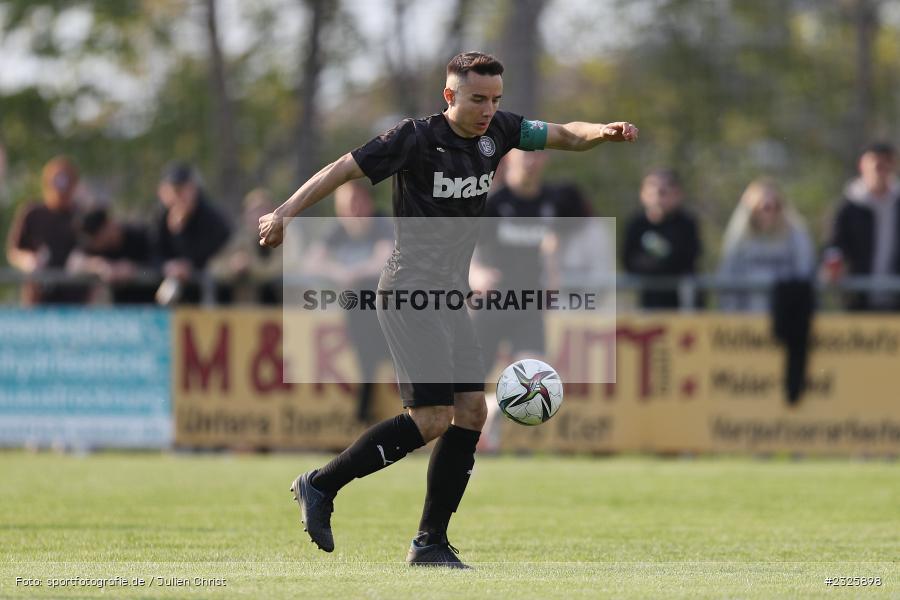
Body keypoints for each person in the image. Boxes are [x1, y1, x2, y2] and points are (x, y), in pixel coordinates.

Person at [258, 51, 638, 568]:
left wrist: (603, 131)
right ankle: (321, 484)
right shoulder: (412, 138)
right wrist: (284, 213)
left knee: (472, 411)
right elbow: (340, 170)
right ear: (449, 95)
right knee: (433, 417)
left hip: (450, 297)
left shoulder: (499, 132)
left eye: (495, 99)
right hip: (409, 292)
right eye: (478, 98)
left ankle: (430, 542)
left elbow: (565, 134)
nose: (488, 109)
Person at [469, 149, 587, 452]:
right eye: (525, 156)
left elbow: (556, 240)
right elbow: (462, 247)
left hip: (529, 304)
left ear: (545, 161)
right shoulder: (493, 202)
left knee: (536, 380)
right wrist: (474, 273)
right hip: (491, 302)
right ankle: (472, 434)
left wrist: (553, 269)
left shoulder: (552, 202)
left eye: (537, 156)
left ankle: (494, 411)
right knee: (465, 391)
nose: (531, 162)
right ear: (510, 160)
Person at [300, 181, 394, 422]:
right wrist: (338, 272)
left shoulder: (382, 224)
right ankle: (364, 416)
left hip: (389, 310)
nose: (352, 211)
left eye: (356, 202)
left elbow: (383, 260)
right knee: (366, 364)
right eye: (345, 205)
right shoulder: (336, 231)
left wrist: (353, 273)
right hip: (357, 313)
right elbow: (312, 261)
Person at [717, 177, 815, 312]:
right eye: (763, 207)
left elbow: (804, 272)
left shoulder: (795, 236)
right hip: (747, 318)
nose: (768, 214)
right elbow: (728, 278)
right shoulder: (739, 240)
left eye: (775, 207)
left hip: (785, 317)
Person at [823, 142, 900, 311]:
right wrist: (833, 264)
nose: (880, 170)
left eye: (886, 163)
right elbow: (834, 246)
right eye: (875, 163)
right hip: (857, 301)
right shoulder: (847, 207)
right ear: (862, 165)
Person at [5, 156, 89, 304]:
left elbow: (97, 253)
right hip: (39, 300)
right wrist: (29, 261)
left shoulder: (82, 216)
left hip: (76, 302)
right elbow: (14, 251)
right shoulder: (32, 213)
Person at [622, 168, 702, 309]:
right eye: (652, 190)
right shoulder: (636, 225)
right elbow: (628, 260)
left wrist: (654, 264)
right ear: (642, 194)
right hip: (644, 304)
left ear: (678, 194)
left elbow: (686, 259)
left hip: (683, 305)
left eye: (663, 192)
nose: (657, 197)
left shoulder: (687, 224)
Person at [154, 162, 231, 304]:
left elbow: (218, 250)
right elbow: (154, 251)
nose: (180, 196)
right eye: (176, 190)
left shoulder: (210, 216)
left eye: (183, 189)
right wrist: (168, 266)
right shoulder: (162, 216)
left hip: (212, 295)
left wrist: (190, 264)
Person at [67, 207, 158, 304]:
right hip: (120, 310)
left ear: (107, 225)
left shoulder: (140, 234)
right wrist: (99, 265)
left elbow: (161, 263)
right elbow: (73, 262)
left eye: (96, 237)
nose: (94, 243)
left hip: (152, 306)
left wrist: (134, 269)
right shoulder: (96, 247)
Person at [210, 188, 283, 305]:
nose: (258, 216)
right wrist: (232, 267)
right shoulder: (239, 240)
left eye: (263, 210)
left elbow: (283, 269)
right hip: (243, 311)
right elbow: (215, 268)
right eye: (253, 211)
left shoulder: (284, 237)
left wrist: (251, 266)